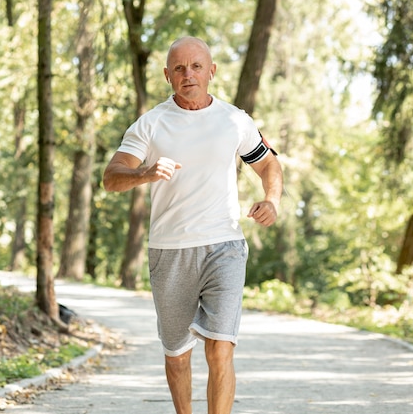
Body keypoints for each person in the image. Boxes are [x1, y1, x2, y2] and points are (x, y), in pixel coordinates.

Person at [102, 36, 283, 414]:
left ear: (211, 71)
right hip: (170, 251)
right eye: (180, 68)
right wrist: (145, 173)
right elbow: (112, 176)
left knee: (220, 347)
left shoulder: (235, 120)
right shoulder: (150, 125)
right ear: (167, 75)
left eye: (197, 66)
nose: (189, 75)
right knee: (177, 354)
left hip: (225, 246)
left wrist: (272, 200)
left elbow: (268, 164)